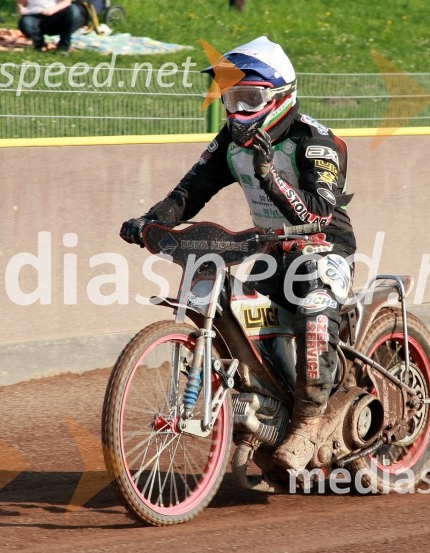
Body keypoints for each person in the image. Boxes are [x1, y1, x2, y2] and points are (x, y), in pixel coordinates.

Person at [120, 36, 356, 472]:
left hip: (323, 247)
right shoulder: (229, 141)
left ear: (281, 96)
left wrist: (270, 178)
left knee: (315, 310)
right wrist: (150, 221)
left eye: (251, 98)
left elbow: (321, 212)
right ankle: (265, 408)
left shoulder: (317, 141)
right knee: (239, 320)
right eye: (232, 98)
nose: (239, 111)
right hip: (269, 248)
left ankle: (309, 421)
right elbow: (189, 192)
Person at [17, 0, 84, 53]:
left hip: (55, 15)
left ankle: (63, 46)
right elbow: (22, 3)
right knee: (25, 23)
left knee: (74, 10)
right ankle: (39, 44)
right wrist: (21, 9)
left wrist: (53, 10)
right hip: (34, 16)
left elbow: (66, 2)